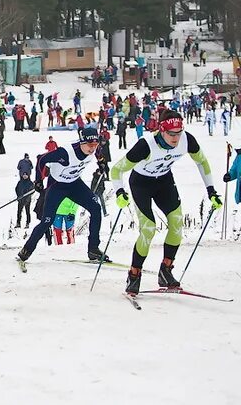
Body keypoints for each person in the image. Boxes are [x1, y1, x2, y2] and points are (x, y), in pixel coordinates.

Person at [110, 110, 221, 295]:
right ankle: (134, 274)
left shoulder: (187, 140)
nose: (175, 138)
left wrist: (211, 191)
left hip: (164, 181)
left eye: (178, 132)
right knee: (148, 229)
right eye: (171, 133)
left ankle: (166, 270)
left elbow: (202, 162)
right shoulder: (146, 146)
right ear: (161, 130)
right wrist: (120, 192)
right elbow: (116, 170)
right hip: (141, 183)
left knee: (177, 223)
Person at [17, 128, 108, 265]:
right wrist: (38, 180)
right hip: (57, 186)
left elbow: (99, 153)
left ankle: (93, 249)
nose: (92, 148)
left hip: (75, 184)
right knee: (47, 220)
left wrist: (101, 162)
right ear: (82, 142)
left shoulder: (94, 149)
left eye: (95, 145)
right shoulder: (65, 153)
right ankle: (26, 250)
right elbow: (42, 159)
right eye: (90, 145)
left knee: (96, 208)